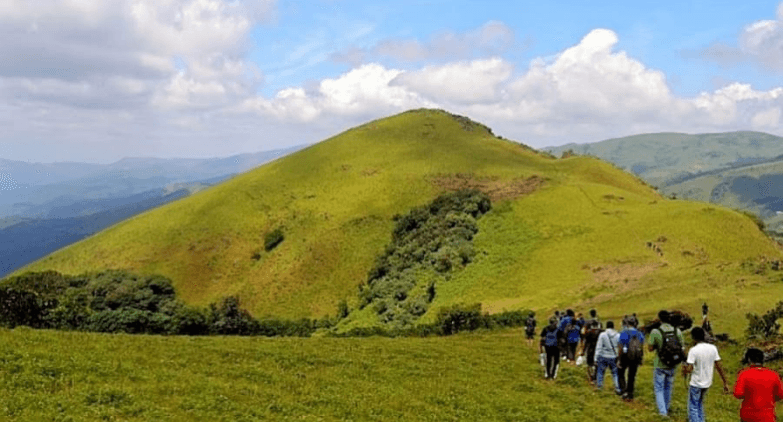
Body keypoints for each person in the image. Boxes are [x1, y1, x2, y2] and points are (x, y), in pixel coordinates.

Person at [682, 326, 729, 422]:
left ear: (693, 337)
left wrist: (684, 369)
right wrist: (725, 382)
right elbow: (719, 366)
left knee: (693, 407)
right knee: (700, 404)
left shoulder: (693, 350)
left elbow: (690, 368)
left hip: (696, 382)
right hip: (707, 382)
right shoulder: (713, 348)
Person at [649, 310, 686, 417]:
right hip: (673, 363)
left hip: (660, 363)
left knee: (659, 388)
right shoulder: (677, 331)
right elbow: (682, 347)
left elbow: (650, 348)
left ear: (659, 319)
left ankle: (663, 412)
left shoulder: (656, 332)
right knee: (668, 387)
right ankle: (667, 407)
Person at [734, 348, 783, 422]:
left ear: (749, 360)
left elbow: (738, 394)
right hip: (767, 416)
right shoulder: (774, 374)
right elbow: (780, 395)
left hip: (748, 415)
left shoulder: (744, 374)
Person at [617, 315, 644, 401]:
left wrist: (619, 358)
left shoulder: (624, 332)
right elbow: (641, 346)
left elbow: (620, 346)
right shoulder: (639, 333)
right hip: (635, 356)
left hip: (625, 355)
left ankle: (624, 390)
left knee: (621, 373)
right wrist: (641, 358)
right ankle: (630, 392)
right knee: (631, 375)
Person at [595, 320, 621, 394]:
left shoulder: (602, 335)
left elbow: (599, 347)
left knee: (600, 372)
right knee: (615, 373)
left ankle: (599, 386)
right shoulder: (618, 335)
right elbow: (619, 347)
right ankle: (617, 388)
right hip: (613, 356)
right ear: (613, 326)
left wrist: (596, 357)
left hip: (603, 356)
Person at [583, 309, 603, 383]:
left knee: (589, 362)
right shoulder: (599, 323)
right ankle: (595, 375)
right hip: (598, 345)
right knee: (597, 361)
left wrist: (583, 348)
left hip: (590, 345)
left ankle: (592, 376)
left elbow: (584, 334)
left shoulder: (587, 323)